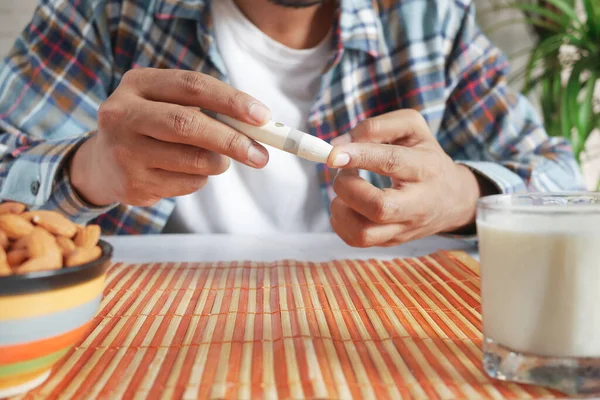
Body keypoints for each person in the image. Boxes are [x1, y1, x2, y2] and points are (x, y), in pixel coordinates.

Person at [0, 0, 584, 247]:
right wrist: (88, 172)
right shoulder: (105, 13)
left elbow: (565, 183)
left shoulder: (431, 21)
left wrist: (462, 196)